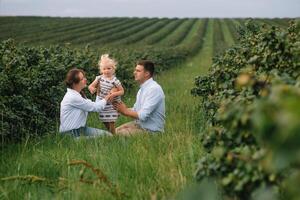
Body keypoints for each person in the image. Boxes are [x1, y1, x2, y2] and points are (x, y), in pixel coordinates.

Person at [114, 60, 165, 135]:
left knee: (118, 135)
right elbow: (136, 110)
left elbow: (143, 115)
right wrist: (120, 108)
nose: (134, 72)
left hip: (151, 131)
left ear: (147, 73)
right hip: (139, 125)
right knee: (112, 132)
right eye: (135, 70)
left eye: (138, 71)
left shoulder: (154, 89)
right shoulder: (142, 89)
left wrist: (125, 111)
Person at [59, 68, 112, 137]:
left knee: (108, 135)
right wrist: (108, 96)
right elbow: (96, 107)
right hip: (70, 134)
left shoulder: (79, 94)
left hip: (81, 130)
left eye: (84, 77)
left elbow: (95, 105)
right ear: (75, 83)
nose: (85, 79)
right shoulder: (73, 97)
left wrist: (98, 92)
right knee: (105, 137)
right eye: (82, 79)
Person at [88, 54, 124, 134]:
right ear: (101, 70)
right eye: (104, 69)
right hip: (102, 102)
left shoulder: (115, 80)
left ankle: (113, 136)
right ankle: (111, 134)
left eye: (109, 68)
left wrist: (113, 95)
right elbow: (90, 86)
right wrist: (92, 89)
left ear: (113, 69)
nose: (106, 71)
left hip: (111, 103)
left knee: (111, 121)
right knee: (104, 120)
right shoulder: (99, 78)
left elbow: (122, 91)